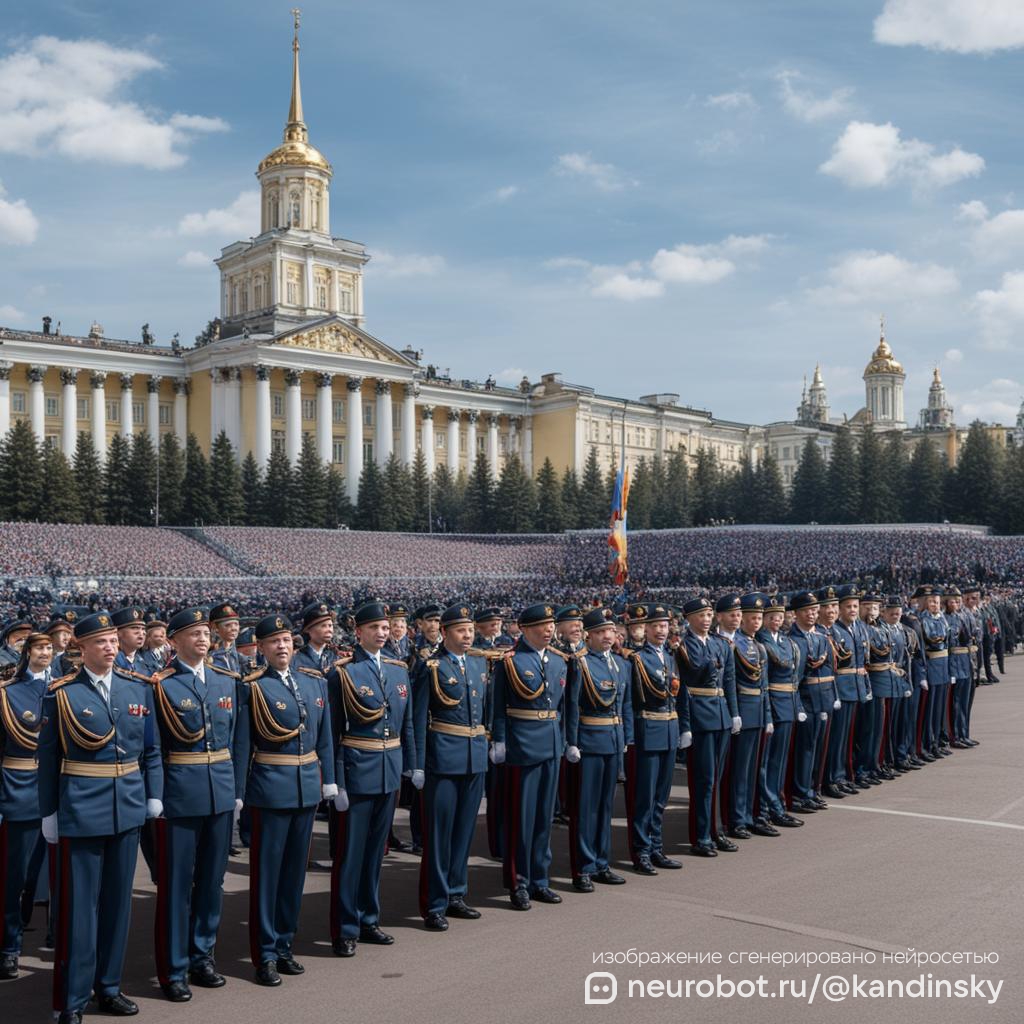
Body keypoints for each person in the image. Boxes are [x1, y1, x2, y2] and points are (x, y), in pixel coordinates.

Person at [38, 611, 164, 1024]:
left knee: (117, 906)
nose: (110, 648)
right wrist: (48, 812)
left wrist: (153, 795)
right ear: (82, 647)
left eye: (112, 641)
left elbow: (151, 751)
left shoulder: (138, 688)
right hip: (81, 809)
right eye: (101, 642)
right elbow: (48, 760)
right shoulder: (61, 694)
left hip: (127, 806)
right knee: (80, 911)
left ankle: (108, 987)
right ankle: (73, 998)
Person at [235, 614, 336, 986]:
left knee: (294, 875)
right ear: (261, 648)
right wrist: (239, 795)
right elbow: (242, 746)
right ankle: (264, 953)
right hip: (270, 789)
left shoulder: (314, 682)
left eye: (286, 641)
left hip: (306, 786)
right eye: (273, 642)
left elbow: (325, 738)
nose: (282, 647)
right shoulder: (252, 688)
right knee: (267, 876)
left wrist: (330, 781)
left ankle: (283, 945)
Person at [150, 608, 243, 1002]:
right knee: (176, 885)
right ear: (174, 641)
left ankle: (202, 956)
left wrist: (236, 789)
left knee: (212, 881)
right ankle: (173, 968)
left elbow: (236, 740)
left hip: (219, 790)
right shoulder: (161, 685)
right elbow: (154, 748)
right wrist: (157, 796)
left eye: (205, 633)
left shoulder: (225, 681)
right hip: (180, 794)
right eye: (193, 634)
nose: (203, 639)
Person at [327, 602, 415, 955]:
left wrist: (410, 765)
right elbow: (333, 732)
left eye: (385, 627)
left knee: (376, 852)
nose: (382, 633)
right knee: (350, 855)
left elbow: (407, 724)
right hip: (357, 770)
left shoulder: (398, 670)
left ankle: (368, 919)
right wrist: (337, 781)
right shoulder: (344, 673)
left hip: (388, 769)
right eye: (374, 627)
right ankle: (345, 927)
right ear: (358, 631)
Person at [413, 605, 488, 929]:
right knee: (439, 835)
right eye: (460, 630)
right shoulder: (431, 666)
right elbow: (418, 718)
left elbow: (483, 713)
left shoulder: (478, 663)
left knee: (463, 832)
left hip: (474, 757)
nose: (467, 635)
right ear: (444, 632)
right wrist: (417, 764)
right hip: (442, 759)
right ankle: (434, 903)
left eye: (470, 629)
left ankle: (456, 893)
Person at [490, 604, 567, 910]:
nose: (548, 630)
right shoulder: (511, 661)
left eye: (551, 624)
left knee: (544, 818)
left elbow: (563, 707)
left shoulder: (559, 661)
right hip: (522, 745)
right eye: (541, 625)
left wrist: (565, 741)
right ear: (525, 629)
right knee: (521, 818)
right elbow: (498, 706)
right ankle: (519, 881)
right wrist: (499, 740)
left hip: (551, 743)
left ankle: (539, 879)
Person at [563, 607, 632, 891]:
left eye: (611, 631)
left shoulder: (621, 664)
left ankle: (602, 863)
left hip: (613, 740)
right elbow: (571, 705)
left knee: (605, 807)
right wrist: (572, 741)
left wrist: (626, 737)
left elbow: (625, 705)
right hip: (590, 741)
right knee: (586, 807)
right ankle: (584, 867)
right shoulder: (580, 663)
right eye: (601, 631)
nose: (607, 636)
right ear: (588, 635)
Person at [0, 632, 53, 979]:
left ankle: (57, 933)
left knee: (57, 875)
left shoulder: (63, 689)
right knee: (16, 876)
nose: (46, 652)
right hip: (21, 790)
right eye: (39, 648)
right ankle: (9, 946)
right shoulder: (9, 693)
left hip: (62, 792)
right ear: (27, 652)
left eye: (50, 647)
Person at [622, 603, 684, 871]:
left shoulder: (670, 657)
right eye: (656, 626)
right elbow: (631, 700)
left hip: (669, 730)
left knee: (661, 797)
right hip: (648, 730)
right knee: (645, 797)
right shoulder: (636, 659)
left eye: (664, 625)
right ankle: (641, 851)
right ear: (645, 629)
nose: (661, 630)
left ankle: (656, 847)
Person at [675, 597, 739, 857]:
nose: (705, 619)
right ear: (688, 618)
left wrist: (734, 713)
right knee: (704, 780)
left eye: (709, 614)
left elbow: (730, 680)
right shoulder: (683, 646)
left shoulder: (720, 643)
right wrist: (685, 725)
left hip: (721, 714)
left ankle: (716, 830)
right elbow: (683, 688)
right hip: (700, 715)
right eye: (700, 615)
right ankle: (701, 836)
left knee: (717, 779)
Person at [725, 594, 776, 840]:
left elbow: (764, 686)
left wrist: (768, 716)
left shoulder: (758, 646)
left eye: (759, 618)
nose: (756, 622)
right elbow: (732, 683)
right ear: (742, 619)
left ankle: (751, 814)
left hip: (757, 711)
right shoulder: (734, 645)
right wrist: (735, 714)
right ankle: (738, 818)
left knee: (755, 769)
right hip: (744, 711)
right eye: (752, 618)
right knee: (740, 770)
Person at [755, 597, 805, 829]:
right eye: (772, 617)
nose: (777, 620)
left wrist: (798, 706)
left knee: (780, 760)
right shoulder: (762, 642)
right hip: (773, 702)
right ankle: (768, 806)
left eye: (780, 616)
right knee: (768, 761)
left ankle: (777, 803)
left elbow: (794, 676)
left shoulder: (785, 641)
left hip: (787, 703)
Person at [790, 590, 835, 810]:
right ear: (796, 613)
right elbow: (794, 679)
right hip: (805, 700)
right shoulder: (793, 640)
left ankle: (813, 789)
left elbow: (830, 669)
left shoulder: (821, 638)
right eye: (806, 610)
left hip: (822, 699)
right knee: (805, 748)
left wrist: (832, 698)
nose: (811, 614)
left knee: (819, 747)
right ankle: (800, 792)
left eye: (814, 610)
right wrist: (798, 705)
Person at [293, 601, 335, 675]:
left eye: (330, 625)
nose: (329, 630)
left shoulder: (337, 655)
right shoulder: (295, 658)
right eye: (323, 626)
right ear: (308, 630)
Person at [208, 603, 242, 676]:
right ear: (215, 627)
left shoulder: (240, 655)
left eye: (236, 624)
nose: (234, 628)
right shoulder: (209, 657)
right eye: (228, 625)